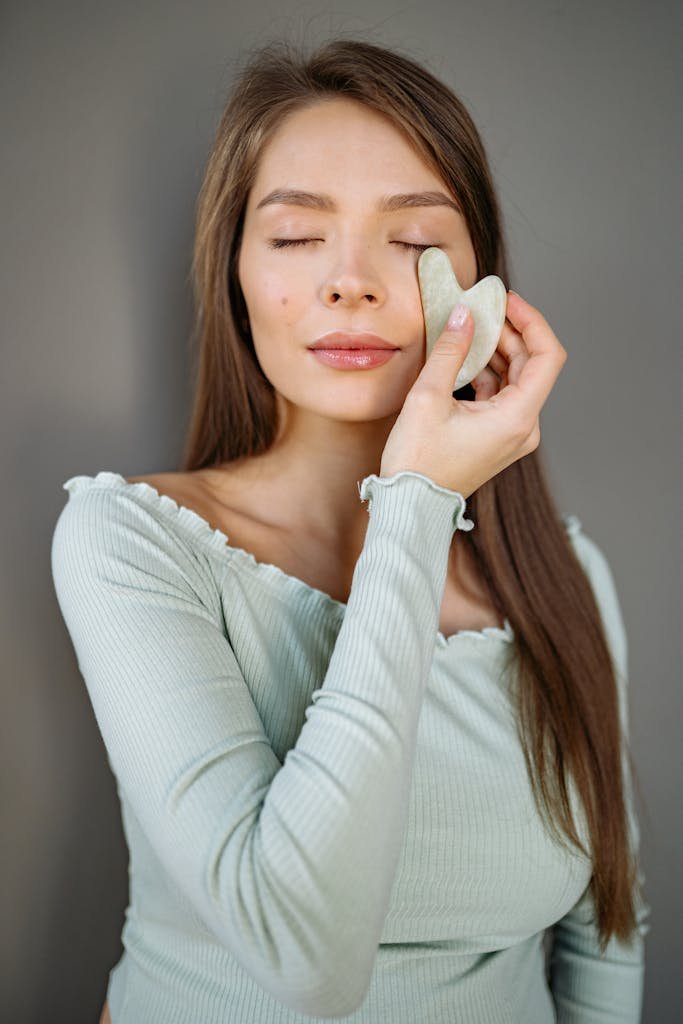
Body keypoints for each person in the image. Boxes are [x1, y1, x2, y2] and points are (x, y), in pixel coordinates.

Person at [51, 37, 650, 1024]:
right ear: (234, 275)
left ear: (482, 290)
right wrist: (412, 504)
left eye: (411, 240)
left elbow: (606, 940)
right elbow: (303, 961)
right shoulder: (130, 539)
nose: (351, 282)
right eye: (295, 236)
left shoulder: (564, 576)